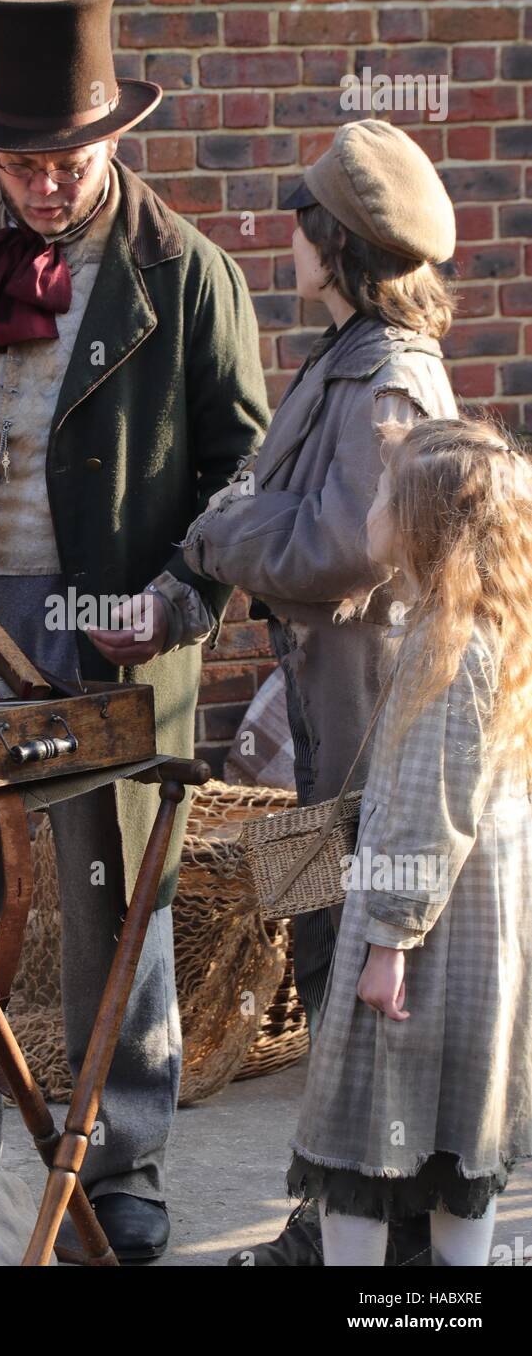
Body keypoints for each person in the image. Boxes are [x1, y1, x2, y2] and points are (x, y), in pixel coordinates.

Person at [0, 0, 268, 1262]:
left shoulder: (184, 274)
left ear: (117, 135)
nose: (48, 183)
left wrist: (179, 600)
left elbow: (241, 473)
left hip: (113, 625)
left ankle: (116, 1164)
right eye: (25, 161)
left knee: (108, 901)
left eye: (72, 156)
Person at [181, 119, 458, 1266]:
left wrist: (226, 538)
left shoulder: (389, 375)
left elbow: (348, 548)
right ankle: (326, 1221)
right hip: (307, 727)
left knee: (361, 986)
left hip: (364, 741)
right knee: (318, 964)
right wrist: (246, 525)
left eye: (301, 220)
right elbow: (275, 502)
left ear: (336, 243)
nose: (284, 235)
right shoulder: (337, 355)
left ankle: (372, 1241)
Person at [284, 416, 532, 1266]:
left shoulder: (448, 644)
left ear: (423, 523)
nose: (371, 505)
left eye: (385, 493)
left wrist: (386, 941)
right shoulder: (483, 628)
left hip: (422, 936)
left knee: (364, 1136)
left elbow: (431, 808)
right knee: (458, 1130)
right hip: (472, 932)